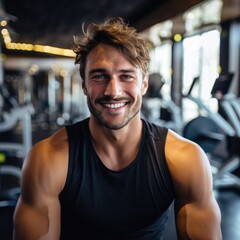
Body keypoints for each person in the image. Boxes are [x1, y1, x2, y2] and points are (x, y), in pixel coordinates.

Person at [13, 17, 222, 240]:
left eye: (126, 76)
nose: (113, 91)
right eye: (100, 76)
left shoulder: (186, 159)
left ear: (143, 84)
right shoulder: (47, 158)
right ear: (84, 85)